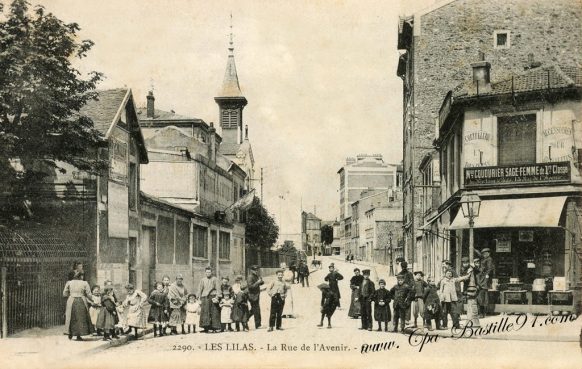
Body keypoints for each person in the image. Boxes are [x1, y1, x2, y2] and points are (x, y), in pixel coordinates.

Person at [63, 271, 94, 340]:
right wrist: (92, 299)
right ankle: (78, 335)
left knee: (71, 317)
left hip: (71, 300)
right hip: (81, 300)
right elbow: (89, 294)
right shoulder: (84, 283)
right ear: (81, 276)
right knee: (81, 318)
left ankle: (70, 332)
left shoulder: (69, 282)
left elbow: (64, 293)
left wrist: (71, 294)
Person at [197, 267, 222, 333]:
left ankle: (215, 327)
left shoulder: (215, 279)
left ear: (211, 272)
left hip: (212, 297)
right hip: (205, 298)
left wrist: (217, 297)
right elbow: (200, 289)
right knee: (205, 313)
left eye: (209, 272)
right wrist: (198, 297)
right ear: (205, 273)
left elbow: (218, 289)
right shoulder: (203, 280)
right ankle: (206, 328)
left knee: (214, 312)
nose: (208, 273)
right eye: (207, 272)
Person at [479, 248, 495, 316]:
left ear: (489, 253)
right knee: (482, 296)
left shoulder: (489, 259)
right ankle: (483, 311)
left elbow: (490, 268)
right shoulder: (485, 259)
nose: (484, 255)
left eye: (485, 253)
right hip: (482, 278)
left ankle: (483, 312)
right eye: (483, 254)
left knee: (483, 295)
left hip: (484, 279)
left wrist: (486, 276)